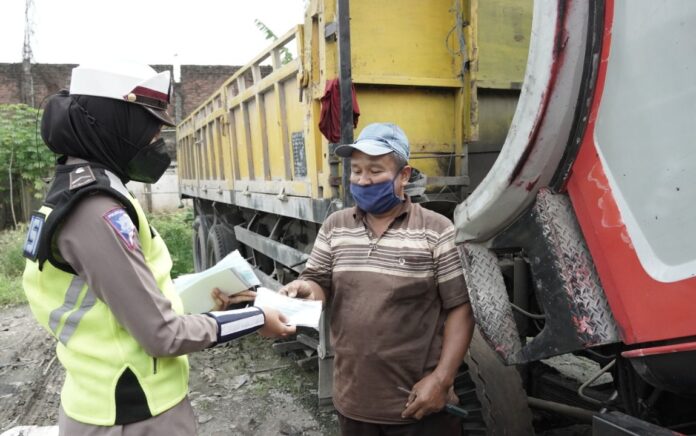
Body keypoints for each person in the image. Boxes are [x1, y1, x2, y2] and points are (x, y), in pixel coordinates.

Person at [21, 62, 295, 436]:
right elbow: (161, 335)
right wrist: (257, 318)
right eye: (149, 132)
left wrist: (200, 300)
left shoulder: (81, 191)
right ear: (115, 124)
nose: (156, 143)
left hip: (119, 402)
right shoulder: (96, 210)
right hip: (131, 413)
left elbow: (118, 297)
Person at [279, 122, 475, 435]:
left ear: (405, 176)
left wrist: (442, 380)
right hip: (354, 404)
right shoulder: (335, 226)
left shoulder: (436, 230)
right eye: (356, 171)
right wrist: (305, 288)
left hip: (418, 406)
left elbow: (460, 308)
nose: (363, 180)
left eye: (375, 170)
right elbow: (318, 282)